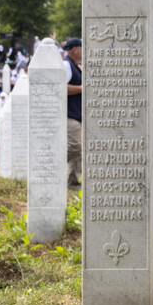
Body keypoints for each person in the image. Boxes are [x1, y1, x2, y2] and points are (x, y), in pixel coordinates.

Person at [63, 37, 83, 191]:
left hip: (77, 114)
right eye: (81, 48)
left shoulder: (75, 66)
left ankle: (72, 183)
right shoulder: (66, 65)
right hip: (69, 114)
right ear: (75, 49)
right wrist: (82, 88)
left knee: (78, 152)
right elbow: (62, 87)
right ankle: (51, 165)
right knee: (75, 146)